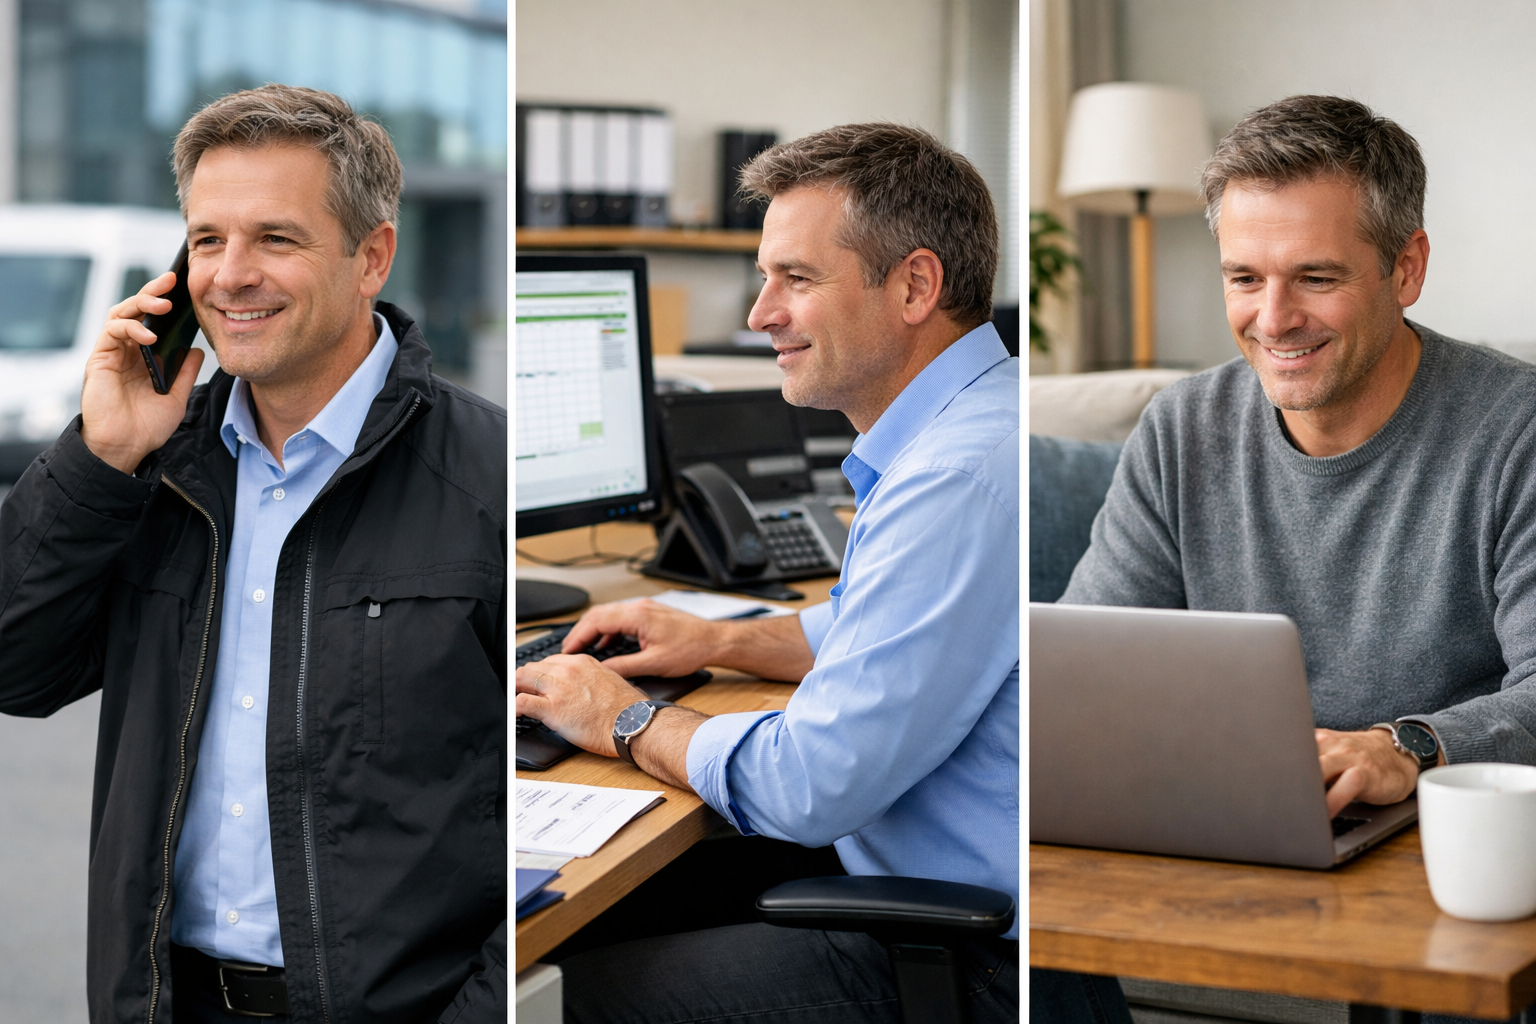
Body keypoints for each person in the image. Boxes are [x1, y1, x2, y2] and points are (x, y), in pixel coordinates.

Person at [0, 85, 505, 1024]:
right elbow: (13, 668)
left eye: (275, 238)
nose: (230, 276)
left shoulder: (489, 481)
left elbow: (548, 813)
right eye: (205, 240)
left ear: (372, 257)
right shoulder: (149, 468)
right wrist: (99, 457)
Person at [1038, 95, 1536, 1024]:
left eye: (1315, 276)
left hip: (1445, 854)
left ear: (1408, 267)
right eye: (1243, 277)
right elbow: (1081, 674)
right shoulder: (1183, 429)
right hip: (1233, 856)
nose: (1274, 318)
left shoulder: (1517, 433)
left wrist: (1411, 747)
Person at [516, 123, 1019, 1023]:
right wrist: (717, 640)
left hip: (972, 959)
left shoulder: (955, 481)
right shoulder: (972, 431)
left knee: (544, 997)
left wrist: (622, 718)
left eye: (797, 278)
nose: (760, 315)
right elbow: (867, 632)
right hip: (917, 891)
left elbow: (809, 785)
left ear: (915, 285)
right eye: (764, 278)